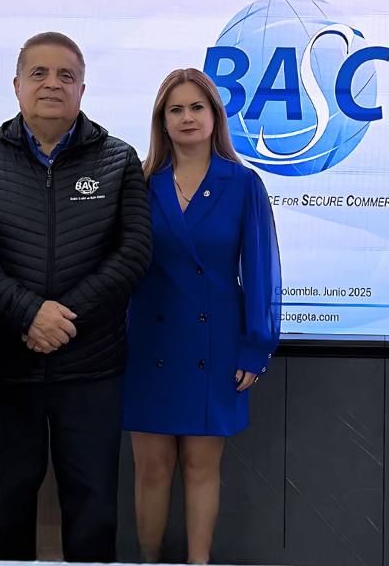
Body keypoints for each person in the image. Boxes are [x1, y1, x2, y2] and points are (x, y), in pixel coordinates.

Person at [0, 31, 151, 563]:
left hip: (92, 368)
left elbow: (134, 252)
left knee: (93, 509)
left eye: (65, 75)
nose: (52, 84)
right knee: (6, 508)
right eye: (39, 73)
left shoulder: (118, 159)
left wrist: (63, 319)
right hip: (7, 368)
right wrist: (27, 314)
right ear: (17, 85)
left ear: (82, 88)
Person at [123, 68, 281, 564]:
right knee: (150, 469)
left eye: (197, 107)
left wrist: (257, 347)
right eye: (176, 109)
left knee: (200, 467)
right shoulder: (141, 184)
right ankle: (149, 562)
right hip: (148, 344)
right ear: (161, 122)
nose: (187, 117)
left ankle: (198, 563)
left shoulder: (243, 183)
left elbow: (261, 271)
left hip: (216, 347)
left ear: (215, 115)